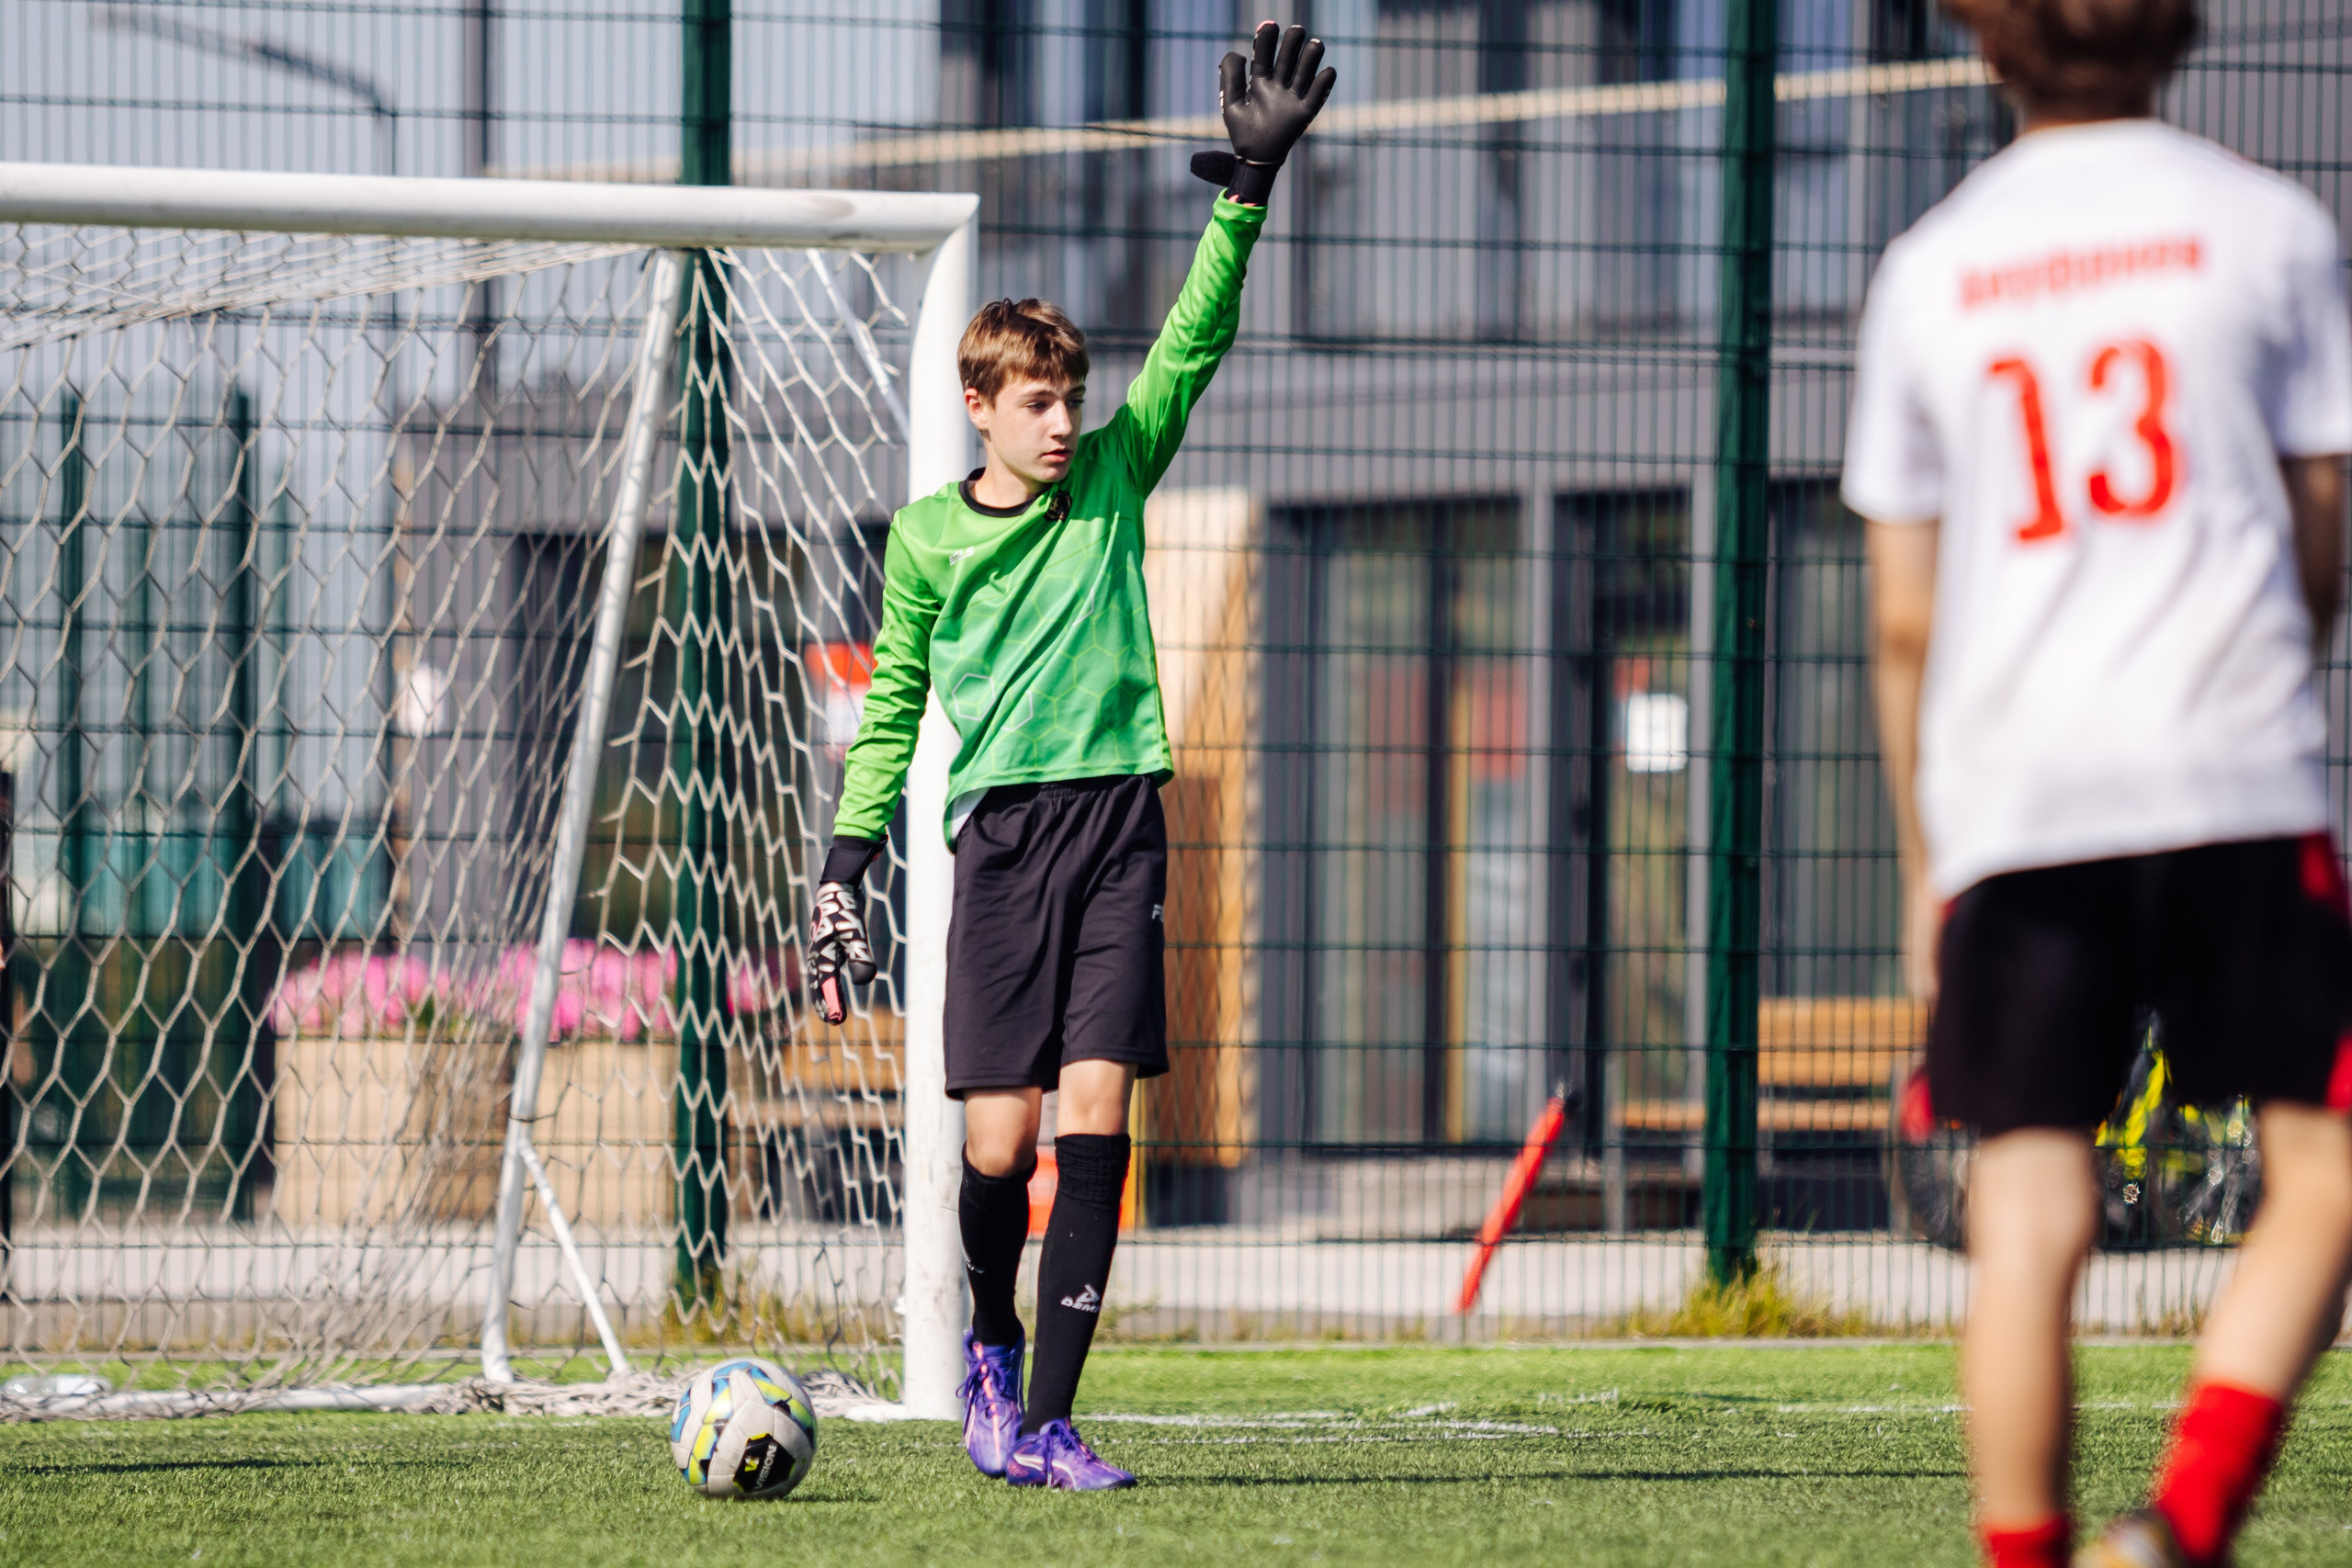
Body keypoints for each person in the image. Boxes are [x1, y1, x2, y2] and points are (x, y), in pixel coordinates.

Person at [1845, 2, 2352, 1564]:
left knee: (2028, 1203)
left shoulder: (1931, 269)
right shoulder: (2270, 228)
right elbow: (2317, 522)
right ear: (2177, 27)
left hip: (2020, 797)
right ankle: (2180, 1527)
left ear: (1985, 41)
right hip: (2231, 771)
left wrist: (1929, 866)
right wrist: (2273, 667)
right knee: (2325, 1167)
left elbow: (1904, 621)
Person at [802, 22, 1335, 1492]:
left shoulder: (1112, 475)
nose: (1060, 421)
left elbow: (1193, 344)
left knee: (1097, 1114)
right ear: (978, 405)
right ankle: (989, 1340)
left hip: (1118, 832)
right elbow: (894, 711)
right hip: (1000, 846)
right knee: (999, 1142)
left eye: (1071, 398)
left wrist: (1247, 195)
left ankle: (1045, 1419)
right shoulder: (926, 541)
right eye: (1034, 402)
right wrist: (846, 858)